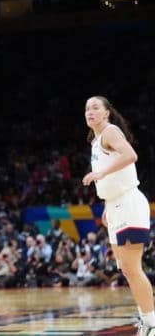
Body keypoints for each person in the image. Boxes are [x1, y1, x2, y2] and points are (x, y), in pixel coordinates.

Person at [80, 96, 154, 333]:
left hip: (128, 203)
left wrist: (99, 174)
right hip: (115, 205)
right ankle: (147, 320)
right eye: (87, 109)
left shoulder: (110, 131)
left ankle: (152, 324)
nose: (89, 112)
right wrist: (106, 205)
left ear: (106, 113)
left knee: (133, 268)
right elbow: (112, 179)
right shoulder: (95, 141)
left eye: (95, 108)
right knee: (126, 268)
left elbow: (131, 155)